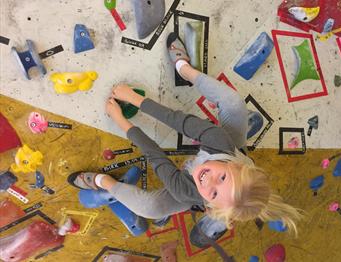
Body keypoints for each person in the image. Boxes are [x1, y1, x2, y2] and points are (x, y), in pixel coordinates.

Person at [68, 33, 302, 234]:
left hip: (193, 185)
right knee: (233, 104)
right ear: (237, 166)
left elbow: (155, 155)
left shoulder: (189, 192)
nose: (208, 179)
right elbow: (175, 120)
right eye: (222, 178)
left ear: (208, 204)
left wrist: (121, 121)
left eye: (213, 191)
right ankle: (185, 69)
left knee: (150, 208)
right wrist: (135, 99)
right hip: (227, 148)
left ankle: (104, 183)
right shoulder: (219, 140)